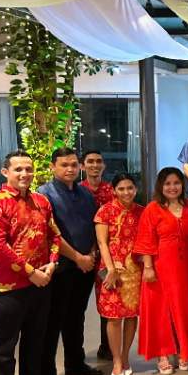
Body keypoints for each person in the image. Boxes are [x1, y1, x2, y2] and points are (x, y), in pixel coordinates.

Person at [0, 150, 63, 375]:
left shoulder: (41, 201)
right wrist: (30, 272)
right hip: (9, 287)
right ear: (5, 172)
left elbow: (54, 235)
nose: (24, 174)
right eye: (18, 169)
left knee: (35, 338)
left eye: (28, 169)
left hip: (41, 282)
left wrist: (52, 263)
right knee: (6, 345)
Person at [38, 148, 102, 375]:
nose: (70, 169)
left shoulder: (84, 193)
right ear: (53, 166)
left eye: (74, 164)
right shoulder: (44, 194)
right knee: (53, 321)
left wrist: (91, 254)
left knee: (76, 316)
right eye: (64, 165)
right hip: (61, 267)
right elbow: (51, 234)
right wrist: (78, 257)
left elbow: (93, 225)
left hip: (84, 265)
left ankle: (75, 362)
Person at [133, 167, 188, 375]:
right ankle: (163, 354)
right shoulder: (152, 209)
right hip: (160, 267)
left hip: (187, 267)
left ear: (182, 185)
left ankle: (184, 350)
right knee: (161, 311)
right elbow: (145, 240)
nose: (172, 187)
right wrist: (148, 267)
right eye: (167, 184)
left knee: (185, 308)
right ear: (160, 187)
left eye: (176, 183)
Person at [93, 173, 144, 375]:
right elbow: (102, 243)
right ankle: (115, 360)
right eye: (121, 188)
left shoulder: (142, 211)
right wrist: (111, 268)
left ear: (135, 189)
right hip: (111, 269)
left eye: (130, 188)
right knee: (113, 317)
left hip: (134, 270)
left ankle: (125, 357)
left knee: (131, 315)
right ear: (114, 190)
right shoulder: (105, 211)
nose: (126, 192)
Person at [82, 151, 116, 363]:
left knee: (107, 300)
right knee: (77, 308)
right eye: (90, 162)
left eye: (98, 162)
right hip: (81, 256)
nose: (95, 165)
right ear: (83, 166)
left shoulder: (112, 191)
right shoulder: (78, 191)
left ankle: (107, 346)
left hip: (106, 255)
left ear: (103, 165)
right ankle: (75, 356)